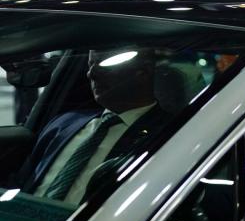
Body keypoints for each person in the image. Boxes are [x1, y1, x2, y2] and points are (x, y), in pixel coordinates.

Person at [17, 48, 170, 204]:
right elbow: (23, 182)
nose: (91, 73)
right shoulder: (63, 124)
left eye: (105, 64)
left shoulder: (169, 135)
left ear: (143, 71)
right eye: (90, 64)